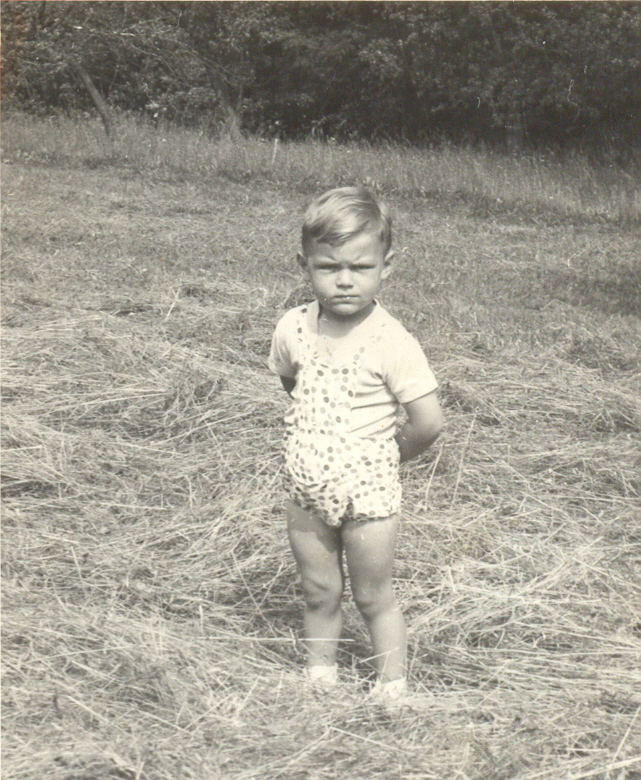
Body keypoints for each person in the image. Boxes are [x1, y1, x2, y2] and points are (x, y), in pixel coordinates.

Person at [269, 186, 443, 703]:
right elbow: (292, 382)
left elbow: (428, 421)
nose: (344, 280)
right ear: (304, 265)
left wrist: (384, 456)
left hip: (367, 493)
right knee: (318, 589)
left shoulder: (391, 341)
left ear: (386, 267)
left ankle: (391, 688)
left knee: (372, 595)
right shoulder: (293, 328)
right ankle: (320, 678)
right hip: (307, 490)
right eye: (329, 267)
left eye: (361, 267)